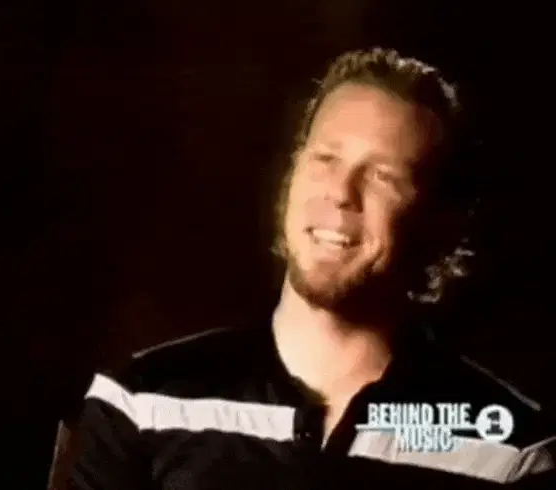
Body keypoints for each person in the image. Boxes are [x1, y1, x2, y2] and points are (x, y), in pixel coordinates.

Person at [65, 48, 555, 489]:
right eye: (325, 159)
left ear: (440, 222)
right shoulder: (139, 402)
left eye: (382, 176)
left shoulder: (508, 453)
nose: (340, 192)